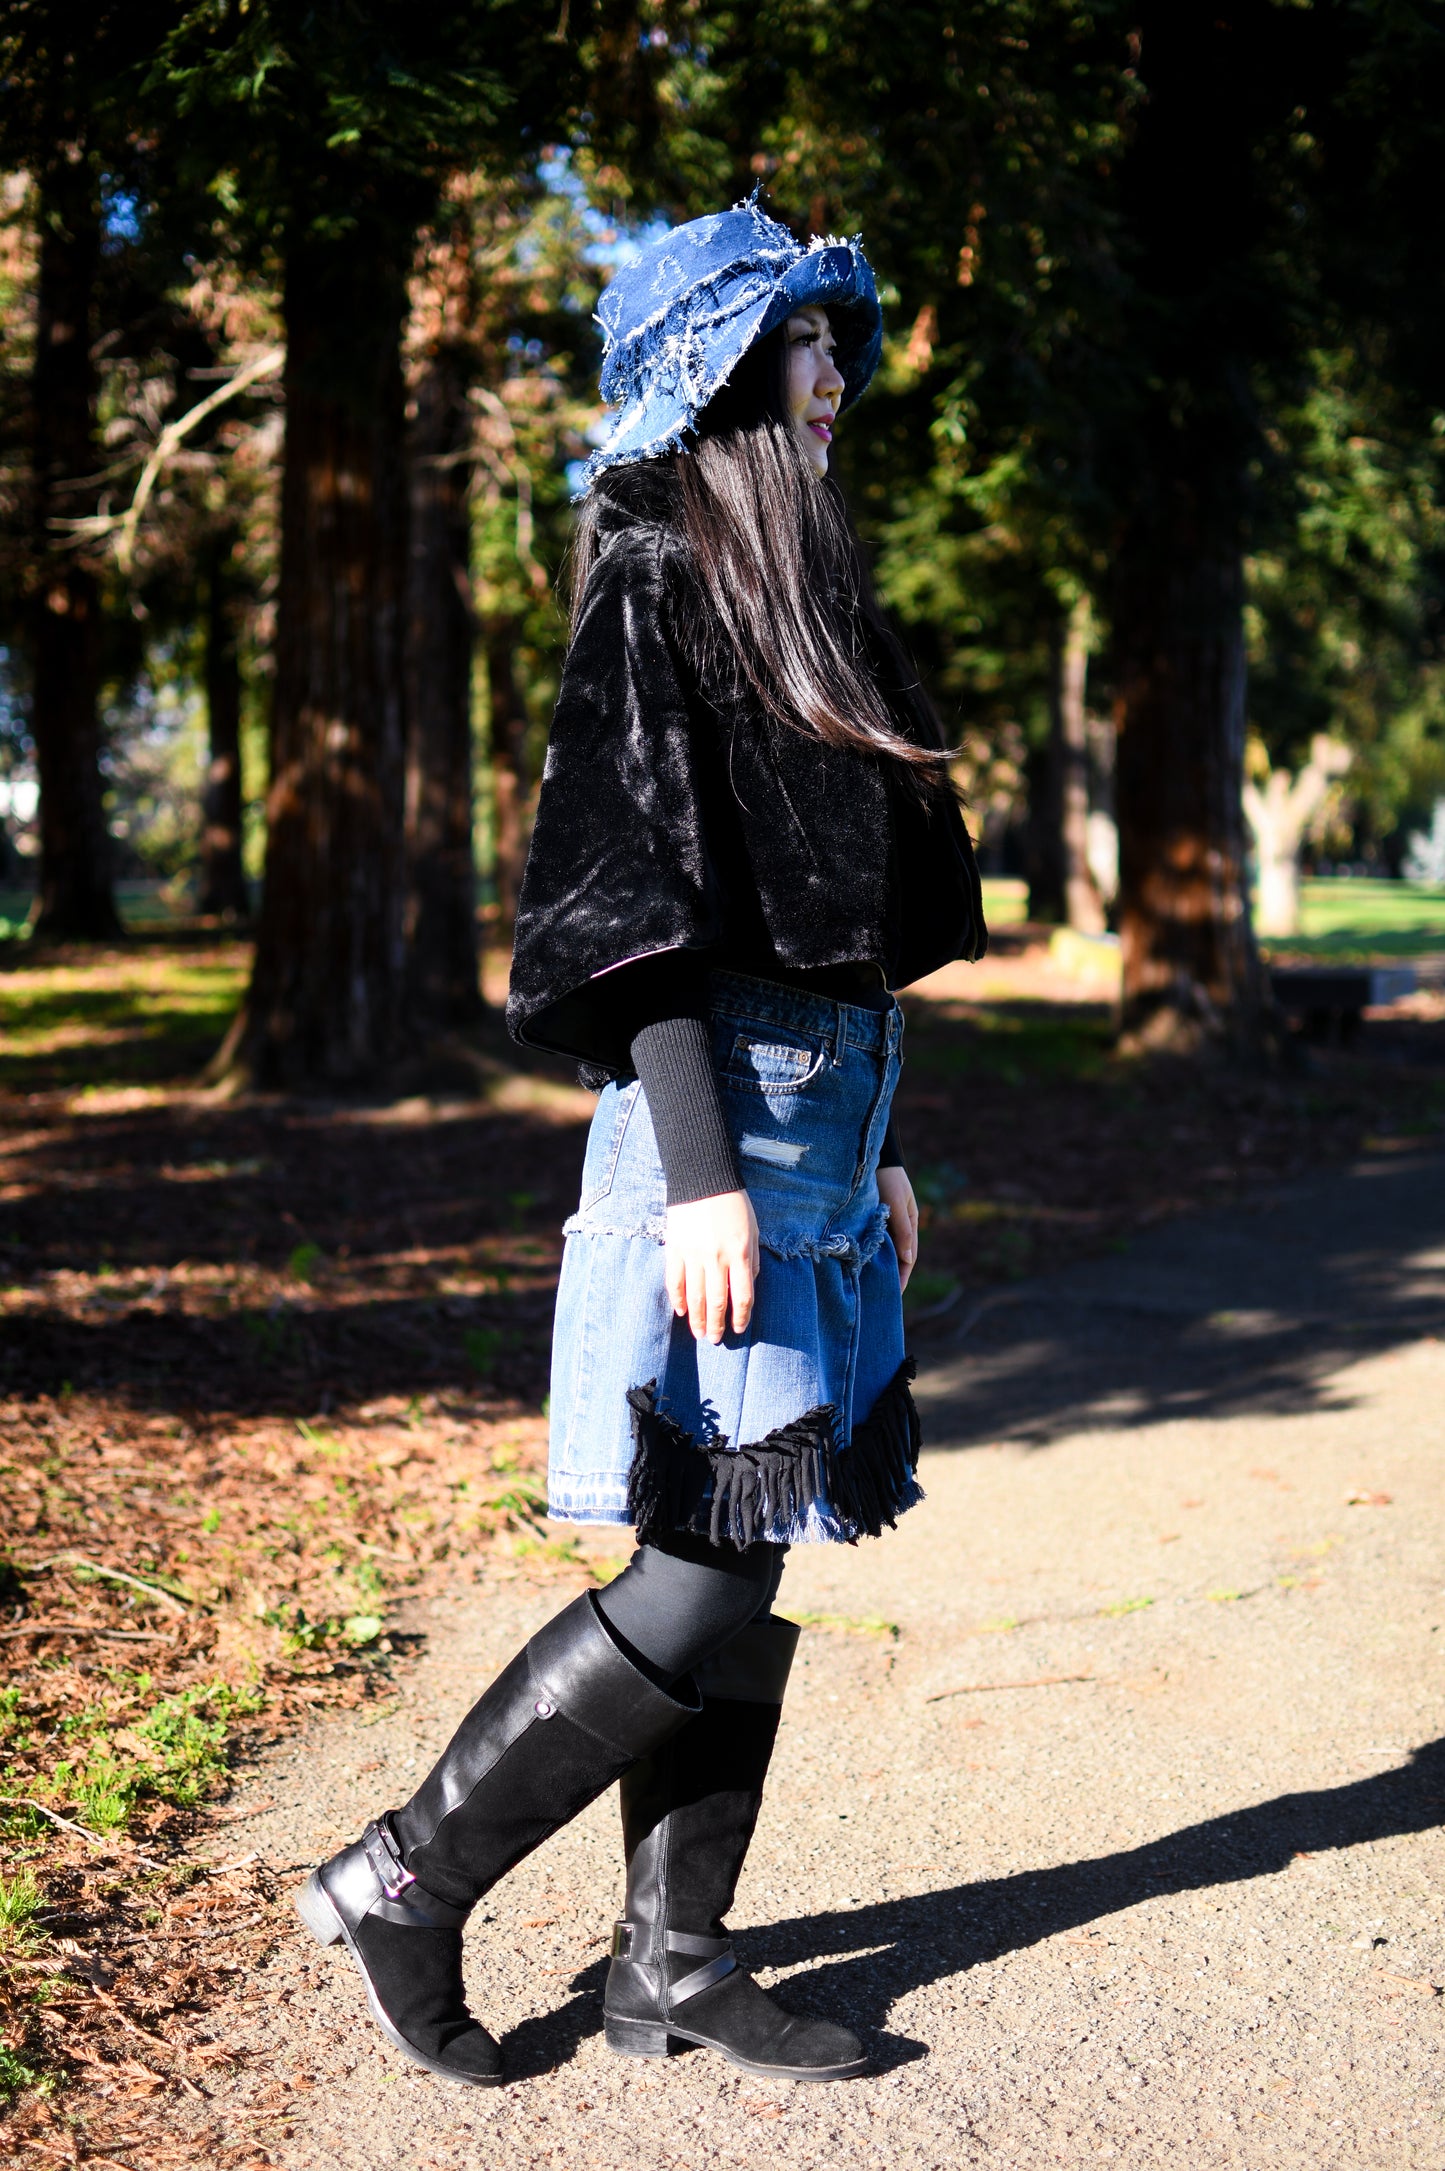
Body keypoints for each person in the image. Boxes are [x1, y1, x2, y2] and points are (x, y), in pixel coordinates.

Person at [296, 192, 986, 2090]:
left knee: (742, 1549)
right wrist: (698, 1170)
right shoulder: (654, 576)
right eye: (802, 350)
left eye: (834, 346)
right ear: (720, 379)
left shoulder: (804, 591)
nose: (834, 378)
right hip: (721, 1129)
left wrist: (886, 1148)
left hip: (829, 1123)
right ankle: (404, 1879)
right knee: (690, 1571)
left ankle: (666, 1963)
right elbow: (633, 905)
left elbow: (836, 925)